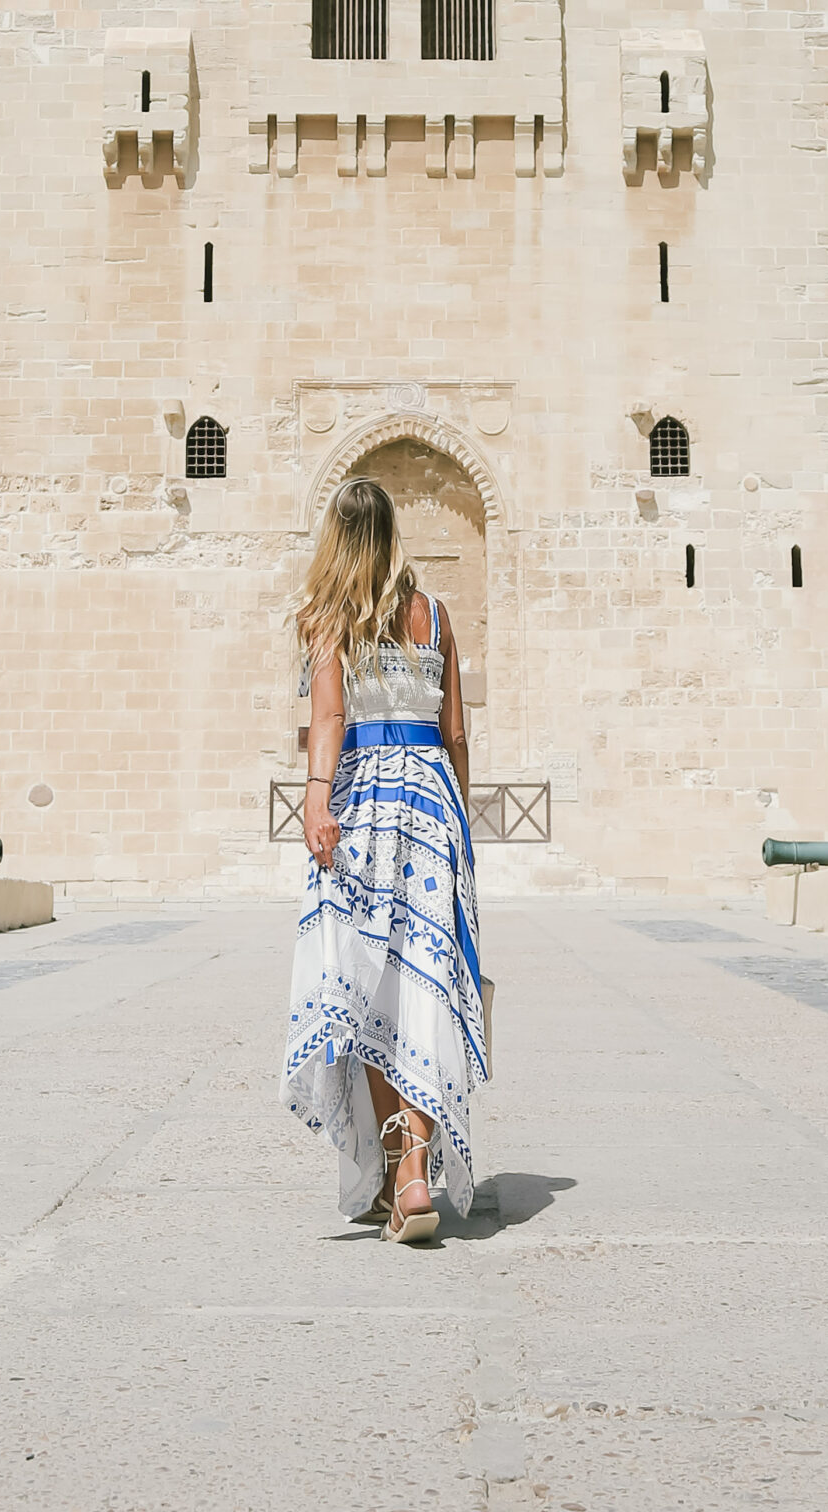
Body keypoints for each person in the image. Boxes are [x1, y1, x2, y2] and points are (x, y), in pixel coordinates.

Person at [279, 477, 487, 1243]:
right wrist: (460, 821)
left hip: (365, 801)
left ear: (336, 536)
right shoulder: (434, 614)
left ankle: (398, 1168)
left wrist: (315, 799)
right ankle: (413, 1169)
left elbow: (329, 716)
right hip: (432, 802)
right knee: (428, 975)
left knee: (370, 980)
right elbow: (458, 733)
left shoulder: (330, 618)